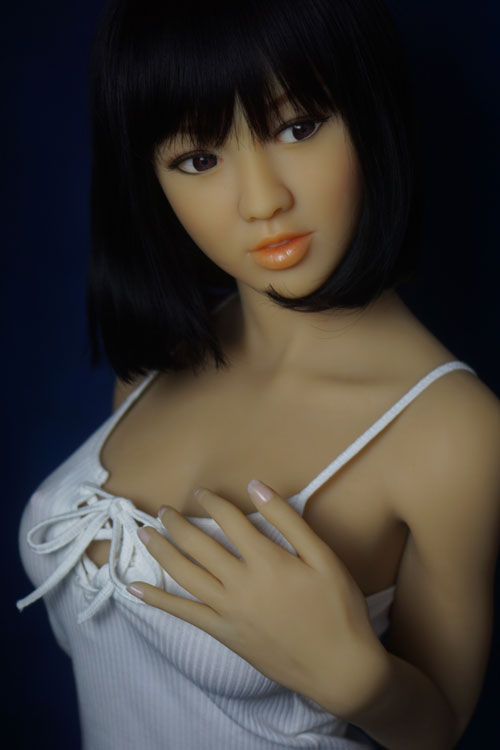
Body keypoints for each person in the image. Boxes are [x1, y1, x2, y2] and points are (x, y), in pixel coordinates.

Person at [16, 0, 500, 747]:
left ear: (367, 111)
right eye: (199, 160)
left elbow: (437, 730)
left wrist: (360, 681)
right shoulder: (158, 366)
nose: (263, 200)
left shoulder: (455, 433)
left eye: (298, 127)